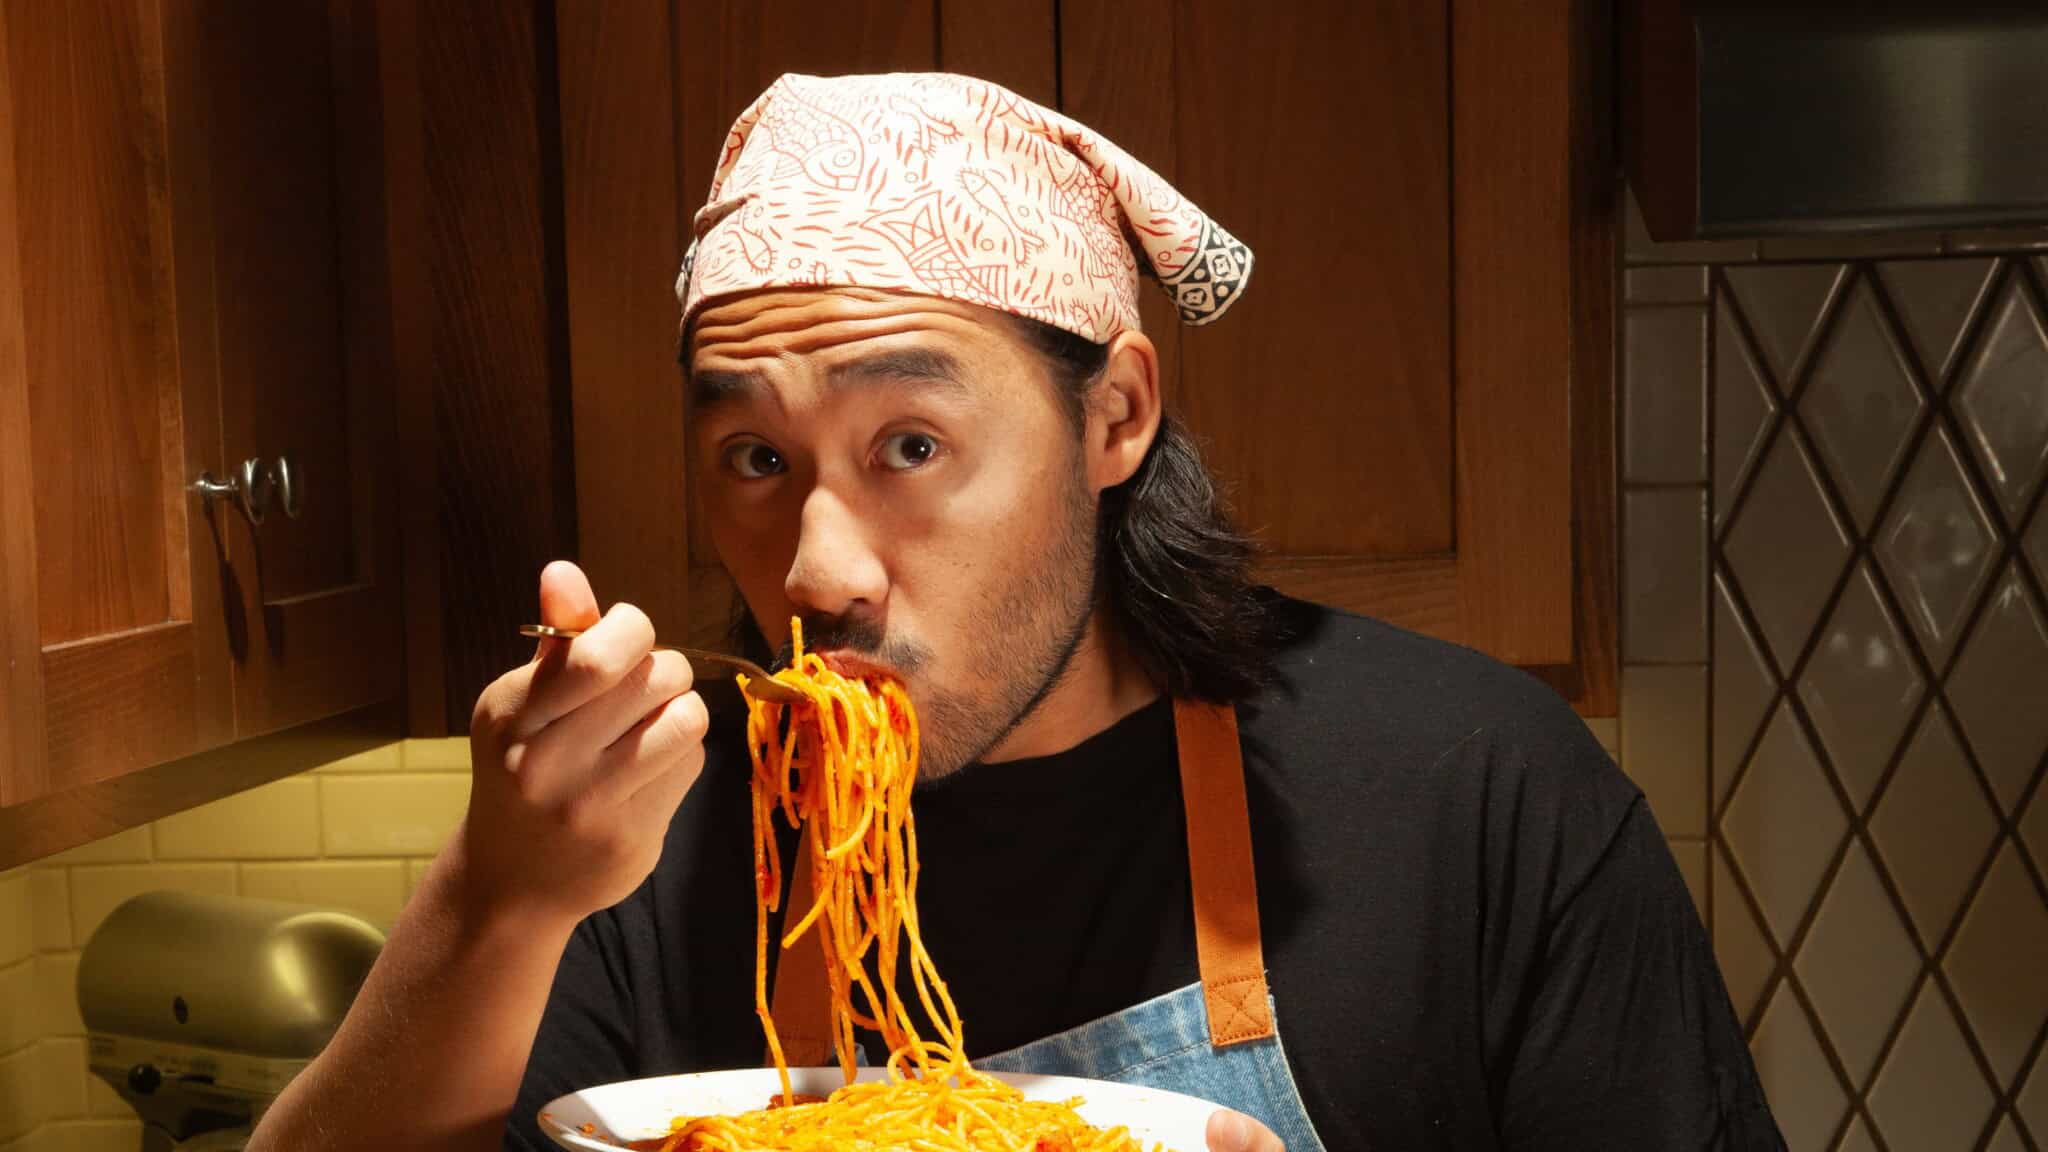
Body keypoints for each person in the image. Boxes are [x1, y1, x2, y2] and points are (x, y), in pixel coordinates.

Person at [247, 72, 1783, 1152]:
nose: (818, 569)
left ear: (1114, 416)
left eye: (910, 447)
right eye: (757, 459)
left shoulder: (1472, 794)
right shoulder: (645, 840)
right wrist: (496, 898)